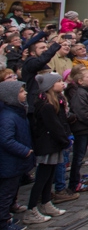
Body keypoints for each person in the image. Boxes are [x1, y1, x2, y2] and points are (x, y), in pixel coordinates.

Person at [26, 73, 71, 224]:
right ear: (50, 86)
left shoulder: (57, 101)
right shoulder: (46, 105)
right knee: (42, 178)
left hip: (54, 143)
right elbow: (54, 126)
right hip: (47, 144)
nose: (61, 83)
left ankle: (46, 203)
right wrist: (64, 140)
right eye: (58, 81)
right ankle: (31, 209)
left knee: (49, 176)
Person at [0, 79, 35, 230]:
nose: (25, 93)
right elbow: (6, 140)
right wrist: (24, 151)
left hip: (14, 163)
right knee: (6, 195)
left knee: (10, 192)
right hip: (9, 163)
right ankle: (3, 222)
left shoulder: (17, 112)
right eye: (21, 91)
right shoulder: (8, 116)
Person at [63, 67, 88, 197]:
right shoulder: (80, 94)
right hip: (81, 129)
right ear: (80, 81)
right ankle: (74, 183)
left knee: (80, 157)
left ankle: (77, 179)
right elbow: (83, 113)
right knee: (78, 157)